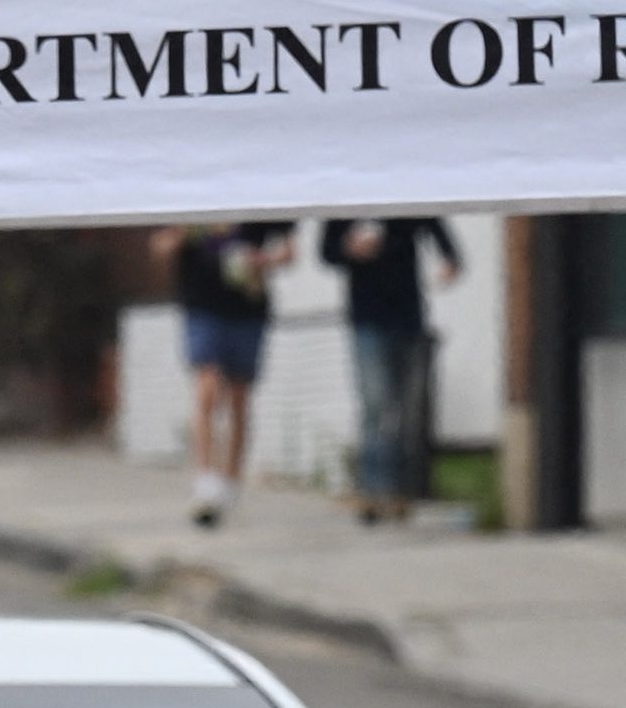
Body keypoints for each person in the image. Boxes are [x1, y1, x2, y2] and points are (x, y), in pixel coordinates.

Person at [322, 216, 462, 523]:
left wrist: (451, 257)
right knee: (376, 402)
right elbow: (327, 251)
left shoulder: (403, 198)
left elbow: (434, 222)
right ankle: (373, 490)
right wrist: (351, 249)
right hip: (366, 316)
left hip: (407, 313)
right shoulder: (345, 199)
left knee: (404, 406)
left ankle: (400, 489)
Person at [173, 221, 293, 527]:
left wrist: (261, 261)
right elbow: (161, 244)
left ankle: (231, 478)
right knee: (208, 387)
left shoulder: (256, 211)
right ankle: (205, 477)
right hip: (203, 305)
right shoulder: (194, 200)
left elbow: (289, 252)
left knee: (240, 396)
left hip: (247, 310)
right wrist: (185, 234)